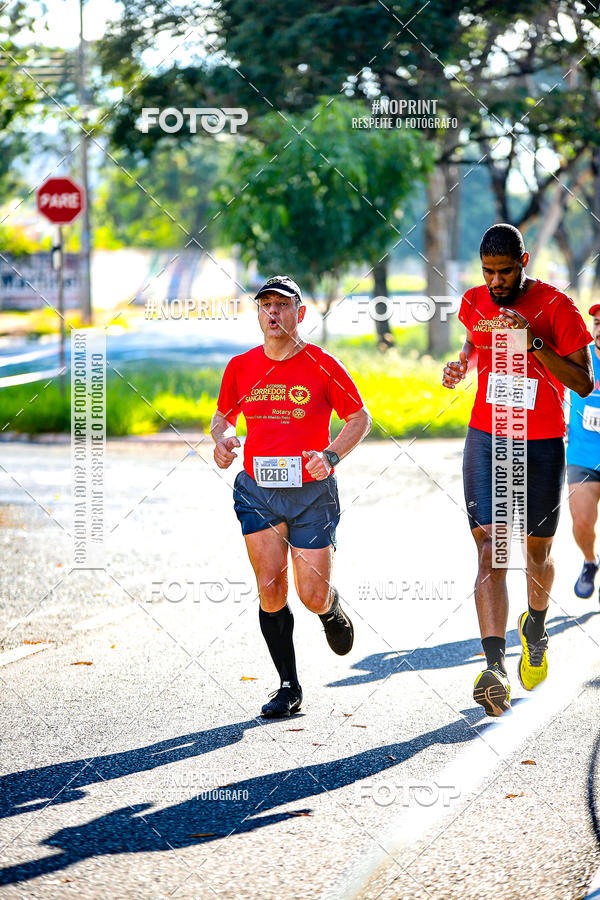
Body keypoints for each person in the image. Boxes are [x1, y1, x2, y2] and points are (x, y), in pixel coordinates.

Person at [442, 224, 593, 716]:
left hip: (543, 440)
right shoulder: (474, 302)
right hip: (488, 436)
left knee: (536, 549)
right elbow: (474, 339)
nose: (496, 281)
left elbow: (585, 382)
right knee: (491, 546)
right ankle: (494, 667)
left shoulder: (558, 308)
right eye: (488, 272)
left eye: (505, 272)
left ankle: (536, 623)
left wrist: (534, 345)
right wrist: (462, 363)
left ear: (523, 262)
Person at [211, 276, 372, 718]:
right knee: (271, 589)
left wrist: (332, 455)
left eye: (283, 305)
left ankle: (330, 609)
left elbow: (360, 418)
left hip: (310, 493)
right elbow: (222, 418)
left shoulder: (322, 364)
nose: (273, 313)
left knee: (311, 593)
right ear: (258, 313)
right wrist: (222, 439)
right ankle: (288, 686)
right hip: (258, 491)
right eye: (266, 305)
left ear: (300, 313)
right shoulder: (241, 367)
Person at [566, 303, 600, 599]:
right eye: (597, 322)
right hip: (582, 454)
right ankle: (590, 561)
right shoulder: (580, 354)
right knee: (582, 521)